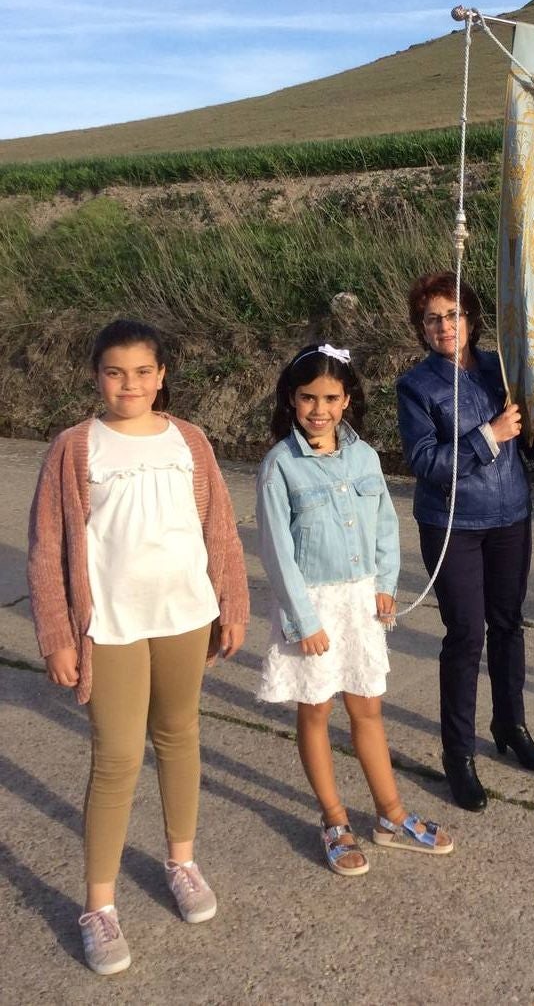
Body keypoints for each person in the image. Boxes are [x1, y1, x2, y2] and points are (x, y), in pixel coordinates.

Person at [27, 319, 249, 976]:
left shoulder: (191, 441)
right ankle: (99, 905)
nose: (130, 385)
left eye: (143, 372)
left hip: (184, 612)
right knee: (119, 756)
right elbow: (45, 552)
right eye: (115, 372)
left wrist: (231, 603)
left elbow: (220, 530)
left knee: (179, 734)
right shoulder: (73, 448)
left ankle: (182, 862)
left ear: (162, 376)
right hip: (113, 626)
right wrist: (58, 637)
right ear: (96, 377)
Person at [256, 343, 452, 874]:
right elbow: (275, 551)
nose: (319, 409)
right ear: (291, 401)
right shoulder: (280, 466)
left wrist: (385, 584)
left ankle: (391, 815)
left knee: (367, 710)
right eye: (308, 398)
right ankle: (335, 818)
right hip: (313, 607)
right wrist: (303, 621)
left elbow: (385, 524)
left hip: (360, 601)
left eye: (330, 398)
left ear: (347, 401)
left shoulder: (364, 457)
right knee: (316, 711)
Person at [396, 272, 534, 813]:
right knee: (466, 636)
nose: (444, 326)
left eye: (453, 314)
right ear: (421, 326)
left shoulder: (498, 368)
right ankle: (458, 755)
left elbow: (527, 435)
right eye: (432, 317)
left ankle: (511, 724)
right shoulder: (417, 386)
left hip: (511, 514)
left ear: (471, 319)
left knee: (509, 624)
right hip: (452, 523)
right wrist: (490, 436)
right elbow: (425, 463)